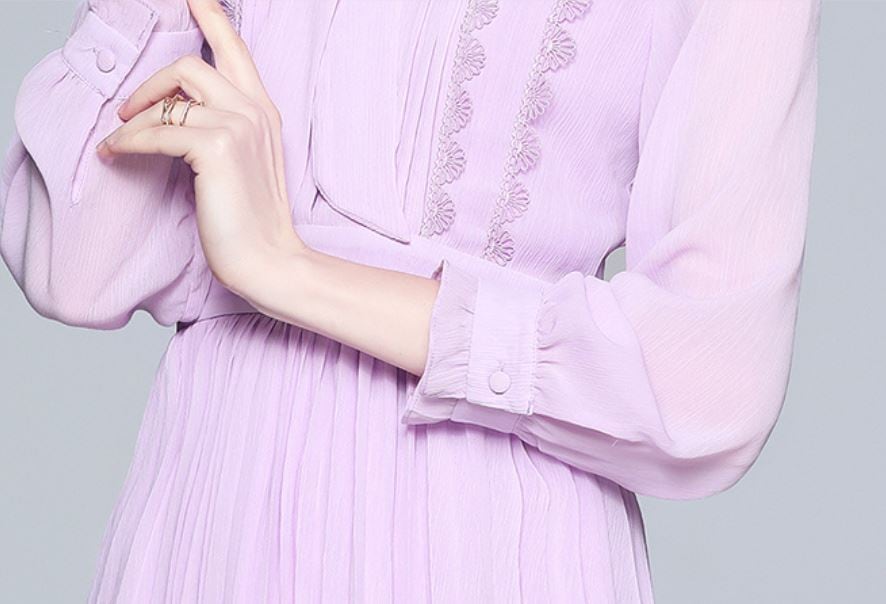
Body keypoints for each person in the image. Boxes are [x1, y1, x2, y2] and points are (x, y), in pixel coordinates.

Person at [0, 0, 821, 601]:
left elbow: (708, 382)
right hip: (209, 511)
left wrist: (289, 269)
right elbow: (77, 267)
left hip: (473, 537)